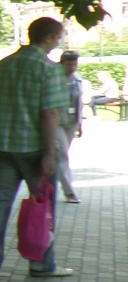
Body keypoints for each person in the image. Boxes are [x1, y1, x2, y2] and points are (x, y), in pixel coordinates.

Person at [0, 17, 72, 279]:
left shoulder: (3, 65)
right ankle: (41, 263)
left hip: (4, 147)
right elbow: (49, 114)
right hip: (35, 149)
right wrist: (50, 154)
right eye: (59, 36)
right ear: (49, 37)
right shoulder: (49, 69)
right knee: (43, 205)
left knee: (0, 201)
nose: (60, 41)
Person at [55, 51, 83, 203]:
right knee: (62, 155)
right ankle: (69, 192)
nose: (72, 67)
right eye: (69, 64)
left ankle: (49, 182)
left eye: (74, 63)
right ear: (62, 64)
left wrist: (80, 124)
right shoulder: (54, 79)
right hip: (57, 123)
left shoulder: (78, 79)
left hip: (72, 122)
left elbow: (80, 102)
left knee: (61, 155)